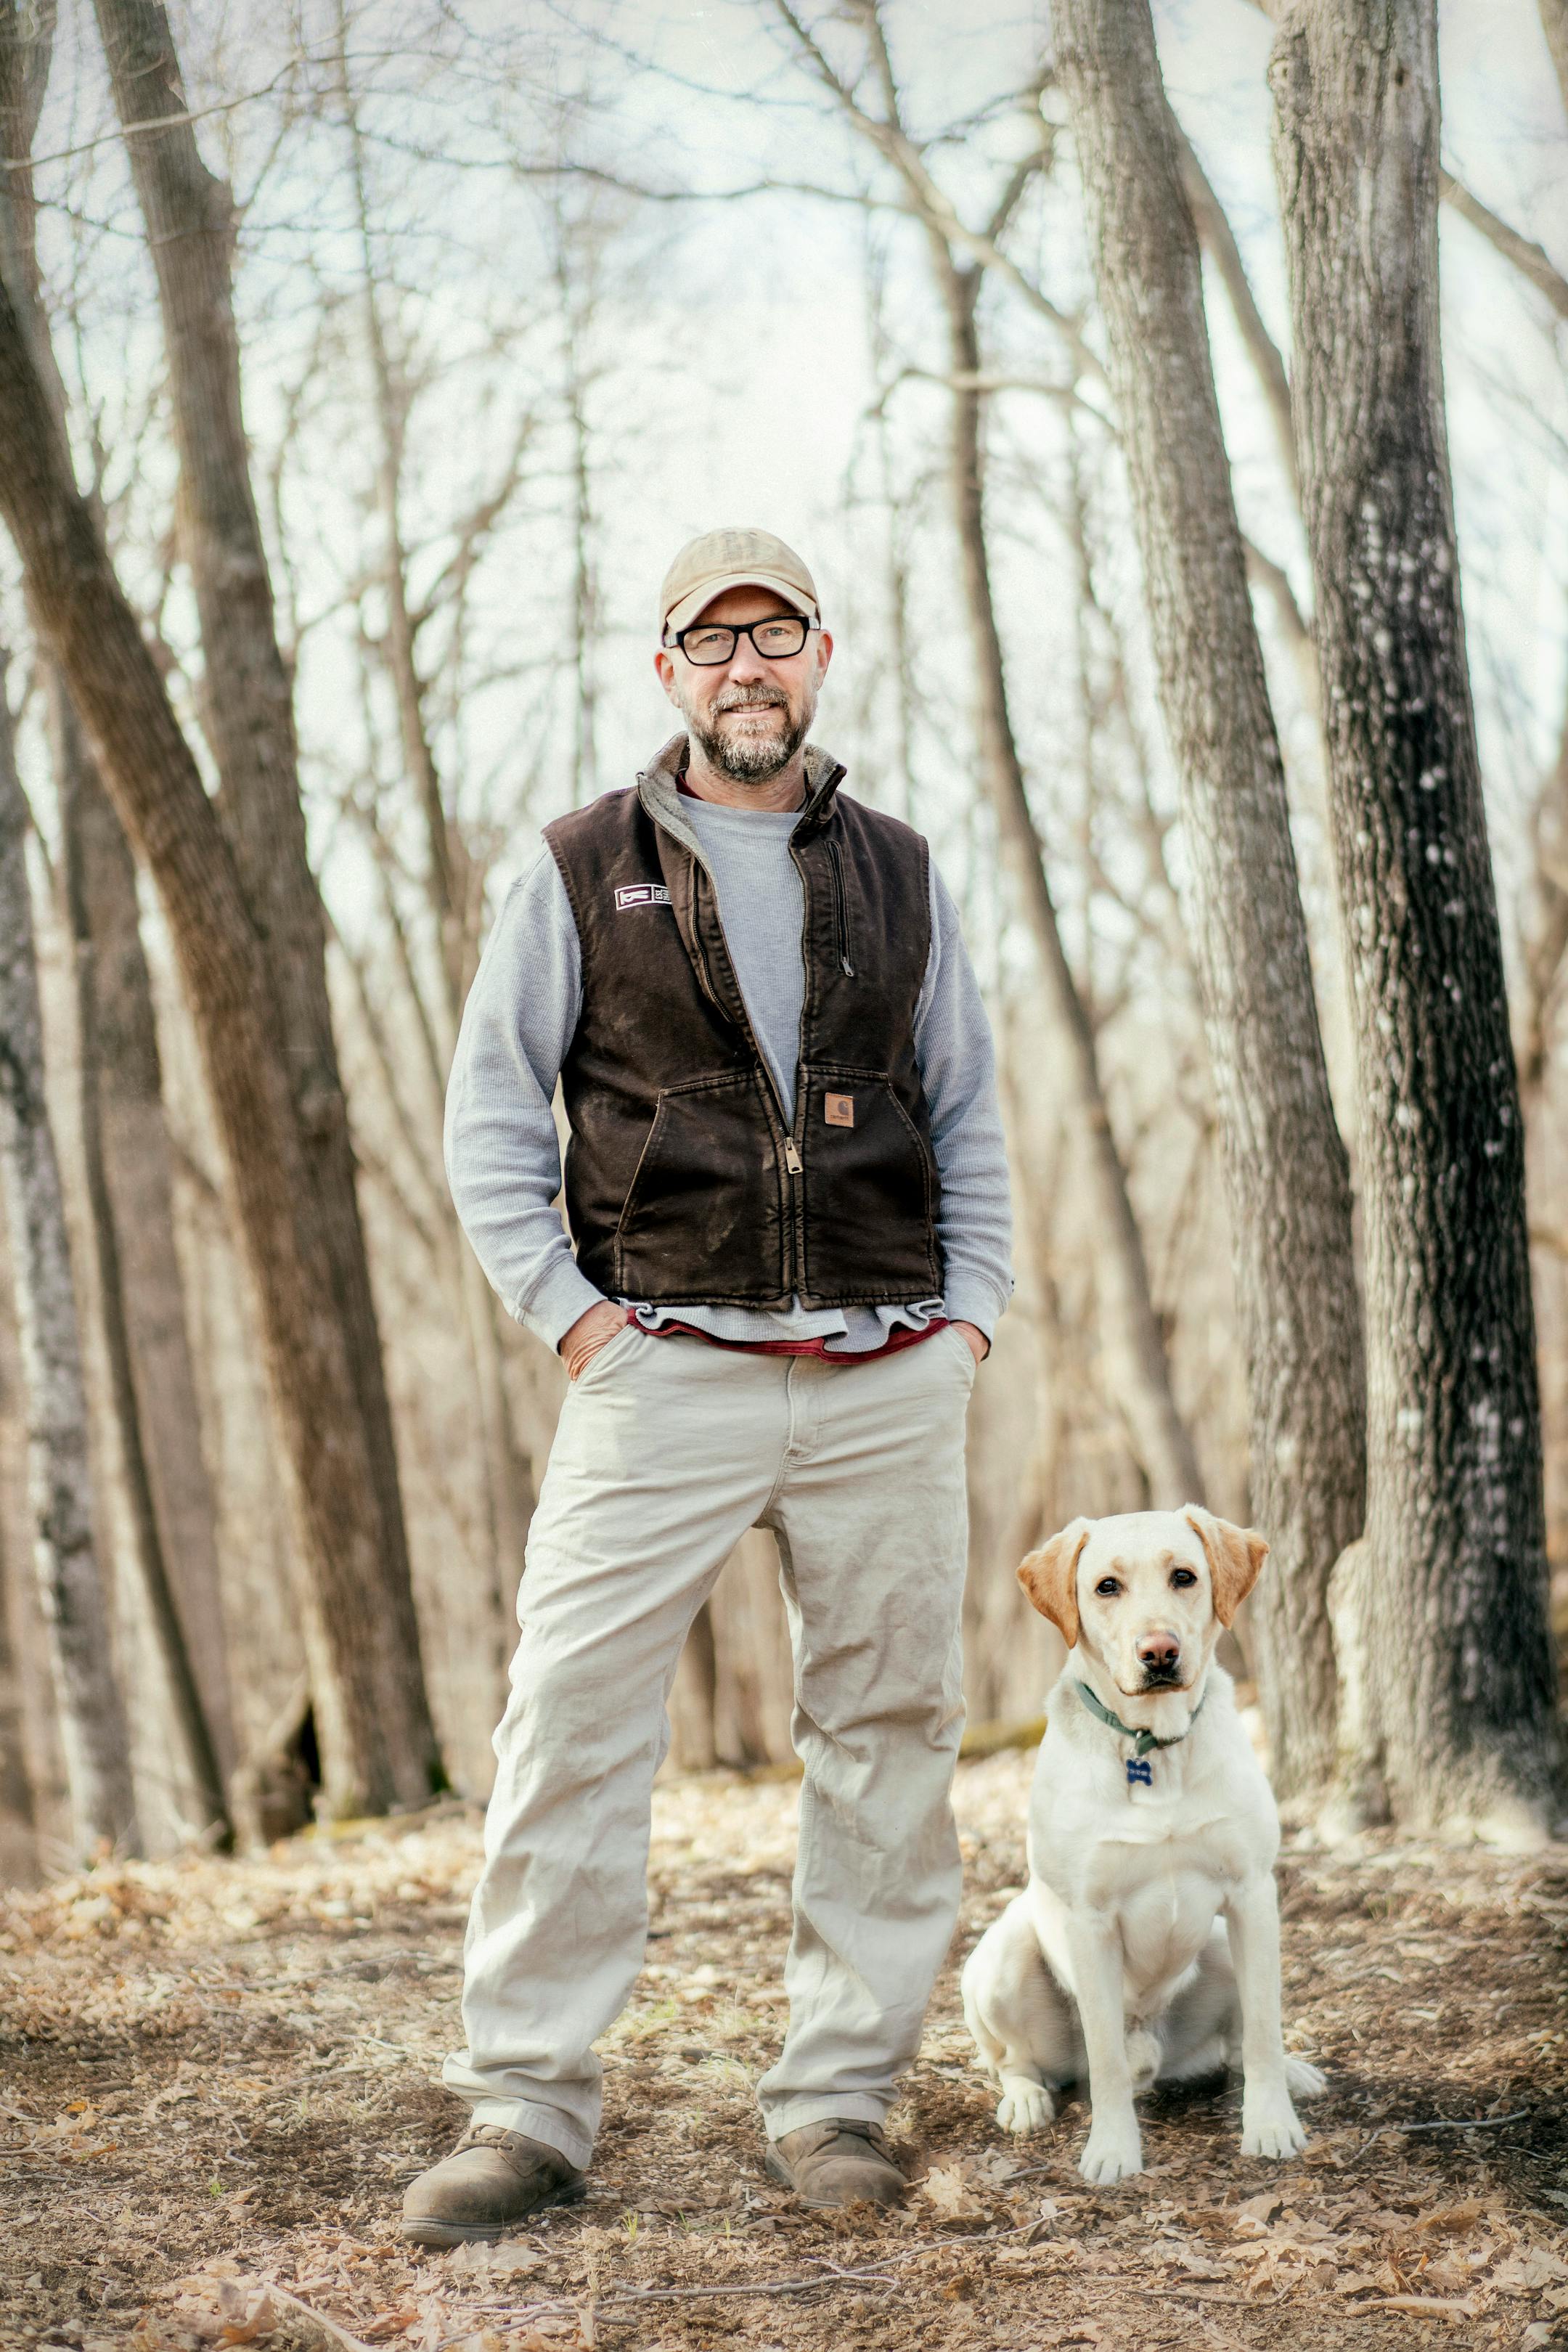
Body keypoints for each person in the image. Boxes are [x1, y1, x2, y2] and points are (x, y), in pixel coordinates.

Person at [401, 527, 1013, 2243]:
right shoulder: (579, 866)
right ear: (666, 670)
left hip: (889, 1371)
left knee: (885, 1733)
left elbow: (967, 1108)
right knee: (574, 1727)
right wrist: (577, 1324)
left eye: (779, 635)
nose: (750, 667)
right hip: (658, 1369)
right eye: (712, 641)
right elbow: (488, 1121)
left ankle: (838, 2103)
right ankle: (527, 2109)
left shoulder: (897, 867)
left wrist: (968, 1323)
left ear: (825, 654)